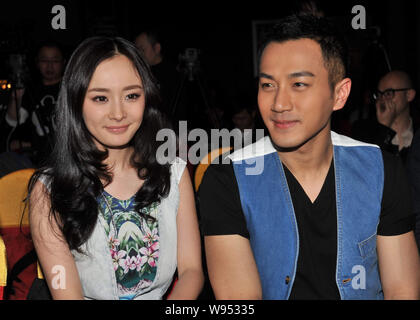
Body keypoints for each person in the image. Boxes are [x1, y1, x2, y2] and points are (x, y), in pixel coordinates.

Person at [199, 14, 420, 300]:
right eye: (268, 85)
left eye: (299, 84)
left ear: (339, 95)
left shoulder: (381, 170)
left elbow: (402, 290)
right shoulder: (227, 179)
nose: (279, 103)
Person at [27, 36, 203, 300]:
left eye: (131, 95)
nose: (118, 113)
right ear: (76, 102)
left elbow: (191, 271)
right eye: (100, 98)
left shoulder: (173, 173)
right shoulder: (49, 190)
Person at [5, 41, 66, 166]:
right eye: (44, 60)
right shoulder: (31, 90)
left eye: (55, 61)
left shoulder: (72, 87)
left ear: (63, 62)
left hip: (68, 157)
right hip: (40, 161)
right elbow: (13, 120)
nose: (49, 66)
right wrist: (15, 97)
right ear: (37, 63)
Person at [351, 70, 417, 165]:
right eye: (379, 94)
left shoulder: (417, 135)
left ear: (409, 95)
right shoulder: (362, 129)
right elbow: (363, 168)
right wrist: (383, 129)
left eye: (389, 93)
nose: (382, 99)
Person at [134, 29, 180, 119]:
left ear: (157, 48)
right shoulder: (138, 71)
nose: (139, 54)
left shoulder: (173, 73)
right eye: (137, 50)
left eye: (142, 49)